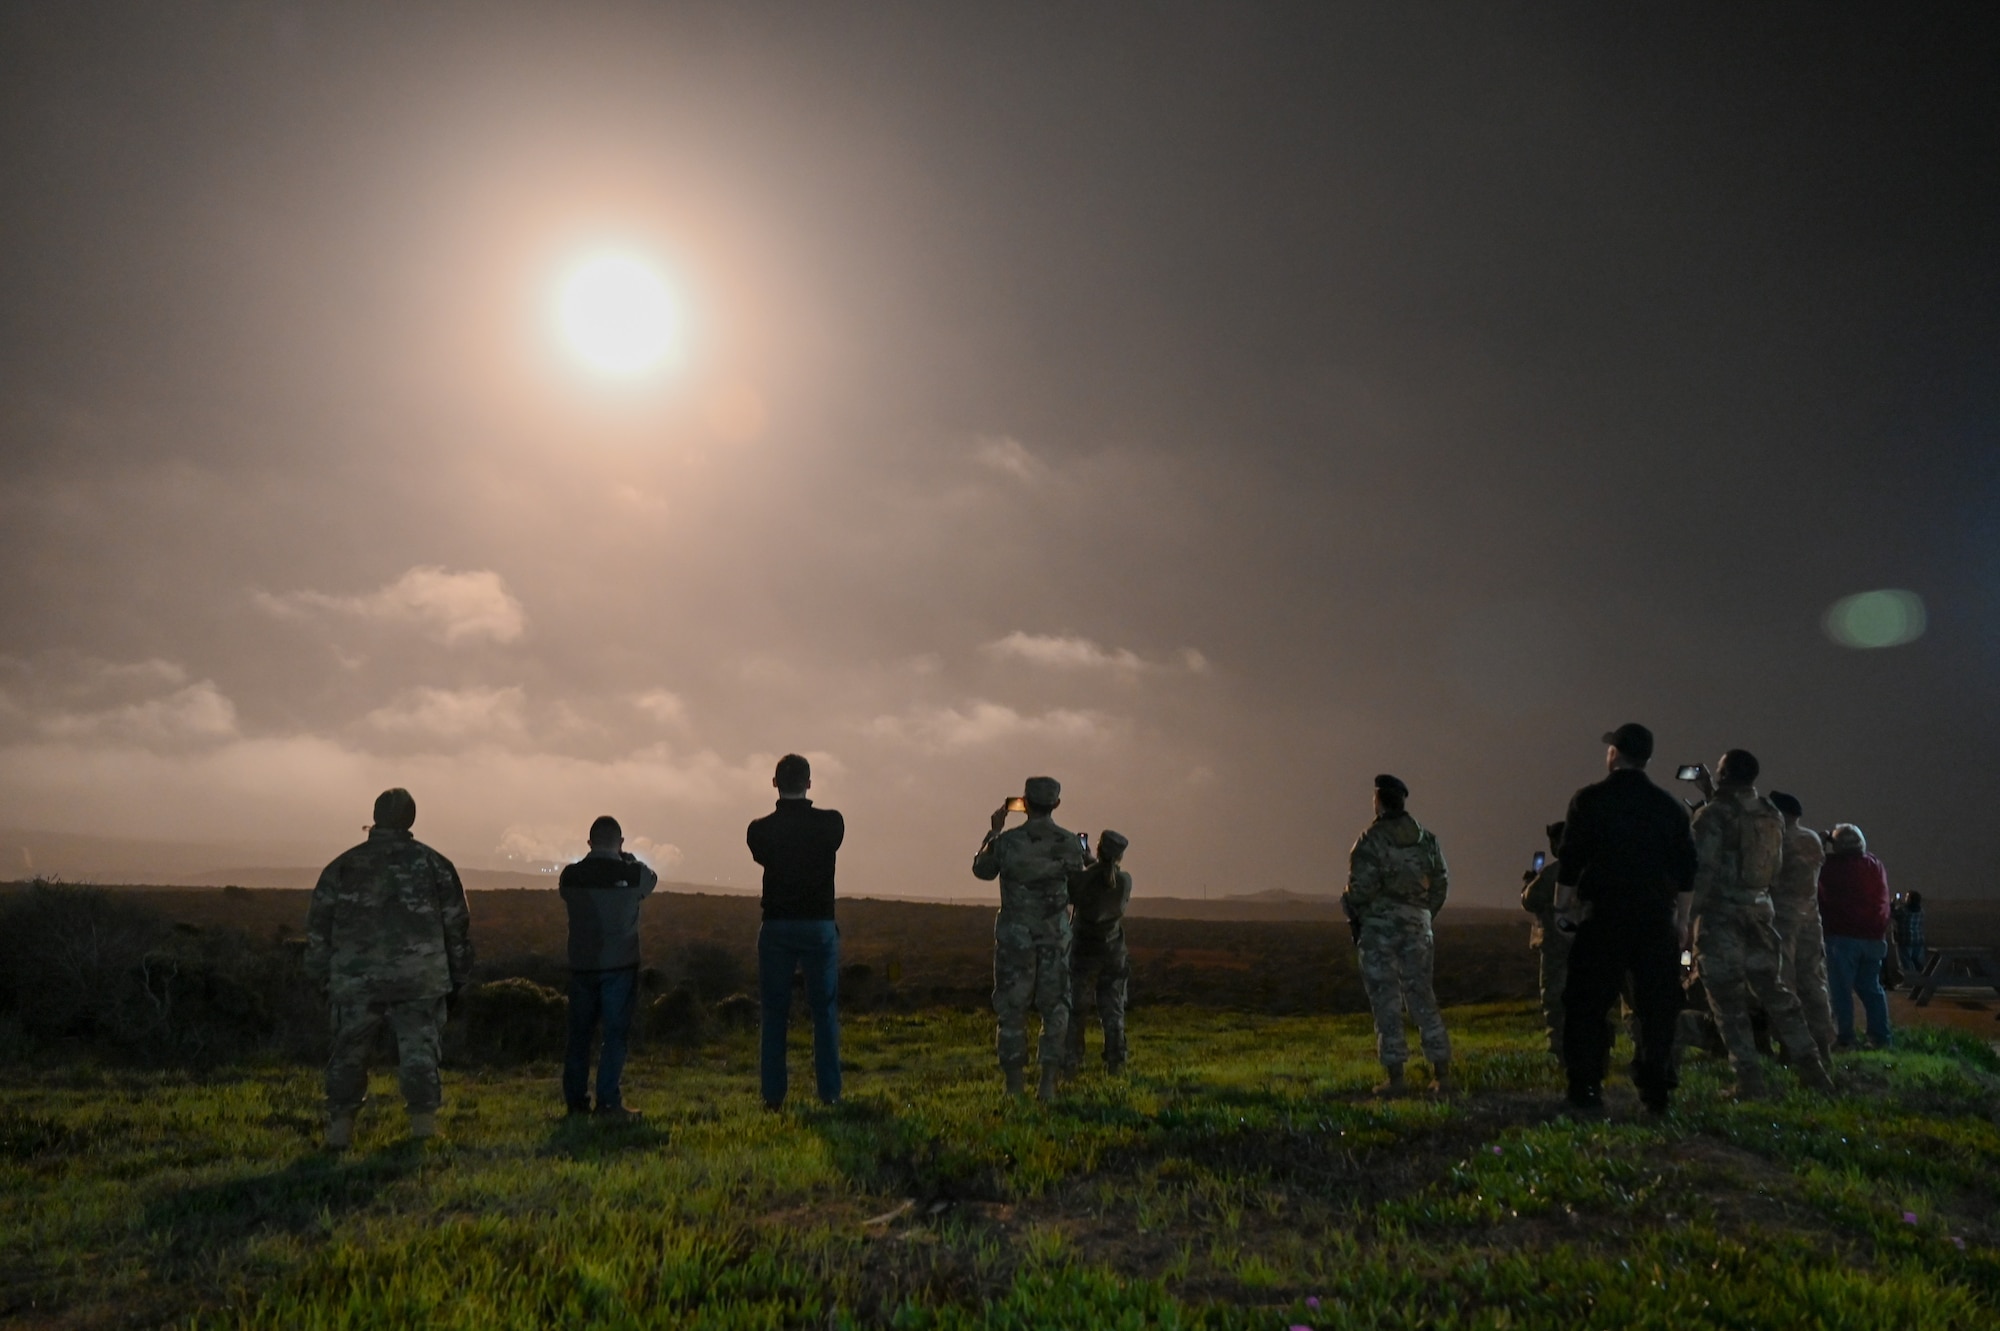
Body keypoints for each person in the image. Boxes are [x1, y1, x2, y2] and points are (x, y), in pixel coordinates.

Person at [304, 787, 474, 1149]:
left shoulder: (343, 866)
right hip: (419, 979)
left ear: (376, 817)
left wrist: (322, 976)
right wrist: (458, 976)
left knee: (348, 1053)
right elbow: (456, 927)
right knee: (418, 1053)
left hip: (355, 980)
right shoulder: (435, 866)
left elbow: (318, 928)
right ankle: (423, 1130)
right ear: (410, 819)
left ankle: (340, 1132)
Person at [1553, 723, 1695, 1115]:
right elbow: (1686, 870)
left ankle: (1586, 1087)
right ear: (1647, 757)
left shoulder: (1589, 800)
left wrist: (1562, 908)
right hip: (1654, 919)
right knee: (1657, 1008)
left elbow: (1571, 859)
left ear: (1614, 753)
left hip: (1605, 917)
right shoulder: (1669, 807)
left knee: (1587, 1005)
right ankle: (1656, 1089)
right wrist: (1681, 920)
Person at [1686, 753, 1834, 1098]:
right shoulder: (1770, 814)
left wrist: (1686, 917)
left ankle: (1748, 1081)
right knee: (1778, 995)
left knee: (1728, 1002)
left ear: (1722, 775)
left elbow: (1702, 871)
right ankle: (1814, 1070)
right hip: (1761, 913)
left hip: (1723, 918)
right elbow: (1773, 862)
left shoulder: (1711, 817)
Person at [974, 775, 1087, 1102]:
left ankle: (1014, 1086)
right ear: (1056, 804)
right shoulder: (1068, 843)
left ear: (1024, 803)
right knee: (1055, 1008)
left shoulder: (1007, 842)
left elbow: (982, 869)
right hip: (1054, 936)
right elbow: (1079, 886)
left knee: (1012, 1008)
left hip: (1015, 938)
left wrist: (994, 831)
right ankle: (1048, 1084)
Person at [746, 753, 846, 1108]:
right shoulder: (832, 823)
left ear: (775, 783)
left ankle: (774, 1096)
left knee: (774, 1013)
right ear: (809, 783)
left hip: (776, 924)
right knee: (824, 1012)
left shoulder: (759, 829)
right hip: (818, 923)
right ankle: (830, 1093)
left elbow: (762, 856)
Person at [1342, 774, 1452, 1096]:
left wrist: (1354, 905)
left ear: (1378, 800)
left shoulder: (1371, 840)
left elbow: (1360, 889)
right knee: (1422, 996)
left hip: (1379, 930)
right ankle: (1441, 1072)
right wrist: (1423, 913)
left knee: (1386, 1001)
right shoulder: (1427, 840)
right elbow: (1441, 882)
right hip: (1418, 926)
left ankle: (1396, 1078)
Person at [558, 815, 658, 1119]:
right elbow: (651, 879)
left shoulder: (571, 876)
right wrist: (627, 859)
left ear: (589, 842)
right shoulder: (632, 873)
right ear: (621, 843)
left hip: (582, 966)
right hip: (620, 965)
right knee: (614, 1035)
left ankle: (576, 1102)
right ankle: (608, 1102)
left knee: (579, 1036)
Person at [1768, 792, 1837, 1065]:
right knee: (1815, 985)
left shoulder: (1778, 840)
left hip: (1782, 920)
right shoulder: (1811, 839)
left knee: (1784, 985)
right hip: (1810, 918)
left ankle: (1790, 1048)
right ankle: (1823, 1048)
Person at [1065, 829, 1133, 1074]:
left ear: (1099, 847)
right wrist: (1091, 862)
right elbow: (1106, 876)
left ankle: (1072, 1060)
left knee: (1077, 1009)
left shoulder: (1083, 880)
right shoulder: (1125, 881)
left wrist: (1080, 860)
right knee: (1113, 1009)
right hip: (1114, 953)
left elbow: (1074, 889)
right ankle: (1116, 1061)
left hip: (1084, 953)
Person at [1819, 823, 1893, 1049]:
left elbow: (1810, 862)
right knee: (1872, 989)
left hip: (1842, 938)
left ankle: (1845, 1037)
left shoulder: (1831, 867)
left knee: (1840, 991)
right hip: (1874, 937)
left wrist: (1822, 840)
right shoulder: (1874, 865)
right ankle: (1880, 1037)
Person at [1520, 821, 1571, 1057]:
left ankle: (1559, 1049)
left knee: (1554, 998)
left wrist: (1529, 883)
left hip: (1557, 946)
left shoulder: (1555, 872)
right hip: (1588, 947)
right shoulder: (1594, 869)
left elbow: (1530, 900)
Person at [1896, 889, 1928, 977]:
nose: (1905, 899)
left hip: (1905, 939)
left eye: (1907, 897)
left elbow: (1892, 914)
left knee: (1906, 961)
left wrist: (1893, 904)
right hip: (1918, 939)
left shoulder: (1902, 910)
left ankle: (1910, 980)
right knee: (1918, 961)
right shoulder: (1921, 911)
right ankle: (1922, 979)